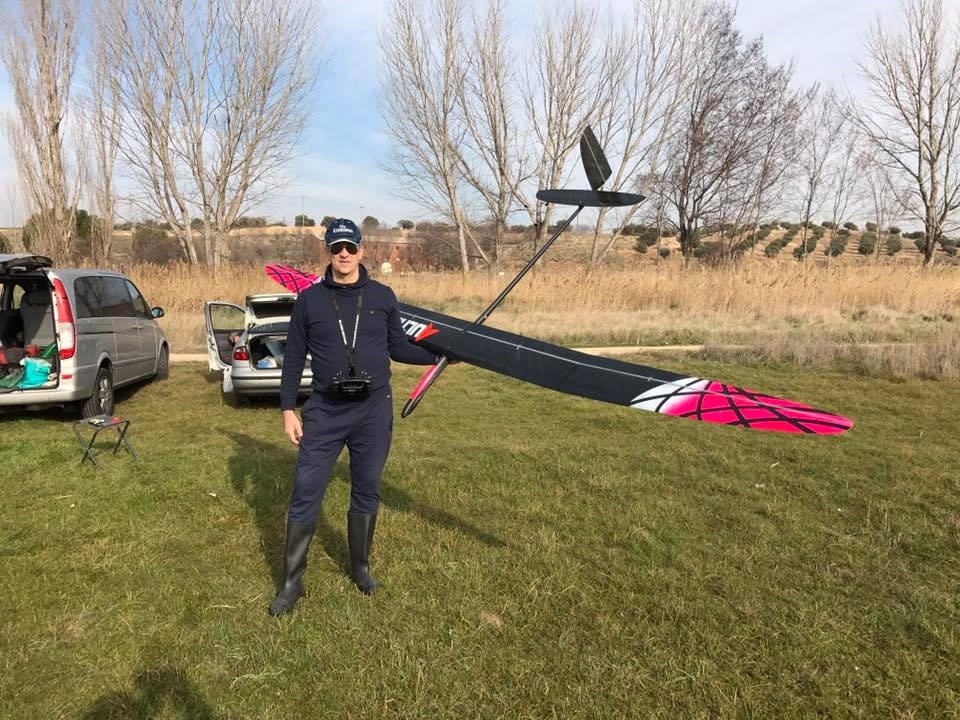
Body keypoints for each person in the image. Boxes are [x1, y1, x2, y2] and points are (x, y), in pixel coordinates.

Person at [269, 218, 439, 615]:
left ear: (362, 250)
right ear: (328, 251)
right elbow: (293, 358)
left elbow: (398, 347)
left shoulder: (382, 296)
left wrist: (438, 354)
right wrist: (288, 410)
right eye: (336, 248)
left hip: (373, 410)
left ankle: (361, 570)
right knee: (306, 489)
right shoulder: (309, 300)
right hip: (325, 410)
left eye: (350, 247)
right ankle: (292, 583)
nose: (343, 254)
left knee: (366, 487)